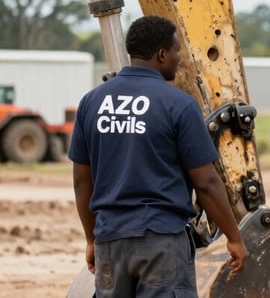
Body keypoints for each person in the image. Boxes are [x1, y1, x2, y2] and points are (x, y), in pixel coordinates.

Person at [69, 15, 248, 297]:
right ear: (162, 54)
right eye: (177, 51)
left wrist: (91, 239)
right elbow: (206, 184)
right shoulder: (178, 105)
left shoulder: (92, 102)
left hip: (109, 241)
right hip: (161, 243)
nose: (179, 58)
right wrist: (234, 237)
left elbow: (82, 182)